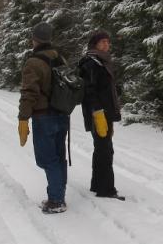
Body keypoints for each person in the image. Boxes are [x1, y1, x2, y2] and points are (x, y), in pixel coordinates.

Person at [17, 21, 70, 214]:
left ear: (34, 39)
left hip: (44, 117)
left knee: (48, 160)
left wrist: (23, 118)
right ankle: (59, 194)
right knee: (58, 156)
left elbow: (29, 92)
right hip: (62, 115)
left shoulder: (33, 62)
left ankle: (56, 200)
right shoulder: (60, 58)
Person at [79, 30, 124, 200]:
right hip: (98, 114)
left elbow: (104, 87)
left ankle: (97, 184)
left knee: (102, 148)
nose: (106, 44)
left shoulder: (102, 62)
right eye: (102, 42)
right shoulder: (91, 63)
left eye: (108, 42)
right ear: (94, 45)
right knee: (105, 150)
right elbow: (90, 91)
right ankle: (106, 189)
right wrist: (97, 113)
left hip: (105, 112)